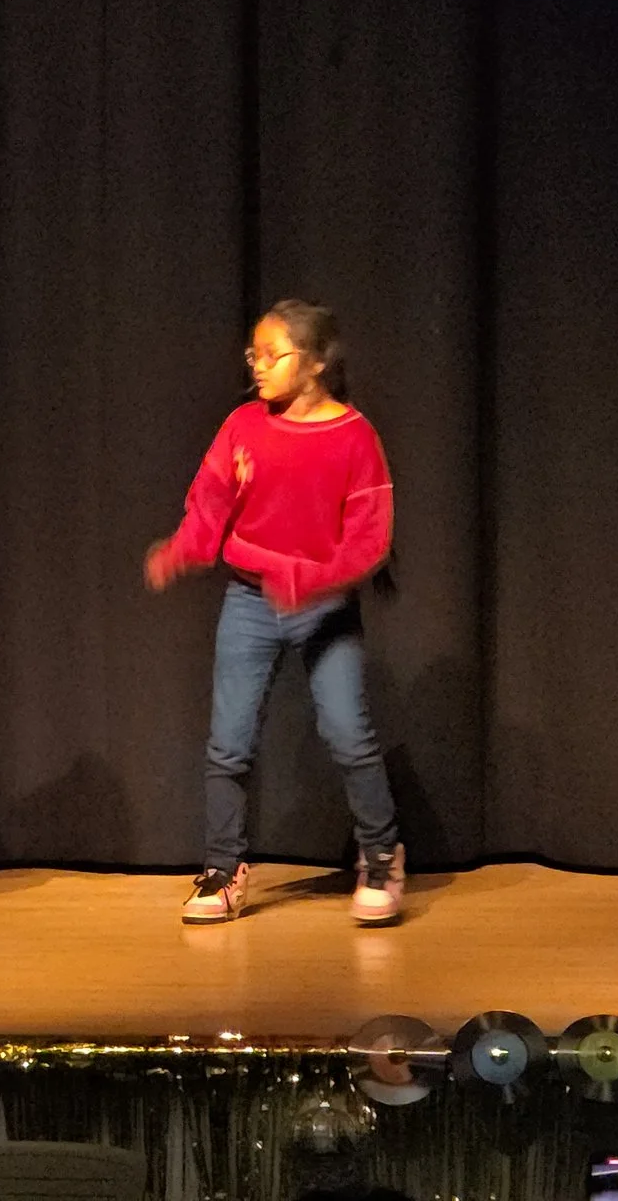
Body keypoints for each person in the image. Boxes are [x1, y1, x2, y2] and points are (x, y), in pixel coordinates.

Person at [144, 300, 400, 927]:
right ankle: (222, 868)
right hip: (251, 599)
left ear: (314, 363)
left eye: (271, 354)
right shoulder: (243, 426)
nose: (257, 366)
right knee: (228, 744)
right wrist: (182, 550)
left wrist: (309, 580)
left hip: (325, 606)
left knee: (348, 733)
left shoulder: (353, 437)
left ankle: (381, 855)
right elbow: (210, 502)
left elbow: (369, 540)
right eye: (252, 354)